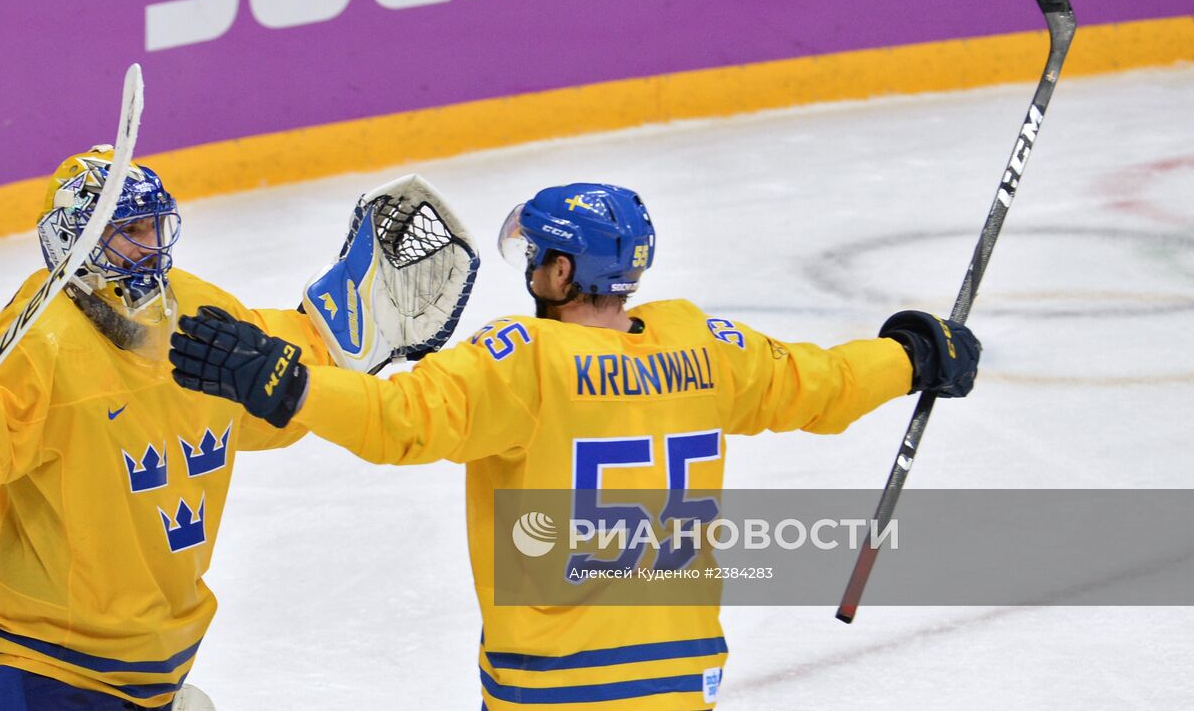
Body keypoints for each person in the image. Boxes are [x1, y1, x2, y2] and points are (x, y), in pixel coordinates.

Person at [168, 182, 982, 710]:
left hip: (557, 687)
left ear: (562, 273)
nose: (529, 269)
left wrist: (288, 384)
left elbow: (398, 420)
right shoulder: (704, 345)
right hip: (680, 680)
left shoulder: (523, 360)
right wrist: (912, 356)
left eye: (535, 257)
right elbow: (823, 385)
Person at [0, 147, 341, 710]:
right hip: (29, 654)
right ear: (72, 239)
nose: (149, 243)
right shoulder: (41, 335)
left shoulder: (200, 308)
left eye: (153, 224)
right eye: (128, 230)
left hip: (151, 656)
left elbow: (262, 383)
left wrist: (330, 344)